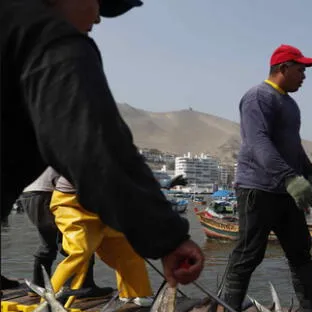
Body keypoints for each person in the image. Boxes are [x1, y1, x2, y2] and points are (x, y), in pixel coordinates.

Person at [1, 0, 204, 288]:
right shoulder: (49, 37)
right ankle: (52, 299)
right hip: (72, 201)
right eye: (98, 4)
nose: (98, 19)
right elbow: (95, 152)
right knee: (78, 250)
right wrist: (169, 239)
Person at [221, 44, 312, 312]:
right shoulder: (257, 98)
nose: (304, 76)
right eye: (300, 69)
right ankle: (229, 308)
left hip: (286, 191)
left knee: (300, 249)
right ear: (283, 68)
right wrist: (289, 176)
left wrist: (309, 172)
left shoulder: (290, 104)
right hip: (257, 188)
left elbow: (294, 146)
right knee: (249, 252)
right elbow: (257, 142)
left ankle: (311, 307)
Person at [49, 175, 154, 307]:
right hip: (72, 202)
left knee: (126, 247)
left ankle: (133, 293)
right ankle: (51, 302)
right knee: (80, 250)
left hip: (105, 204)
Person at [19, 167, 113, 298]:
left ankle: (38, 285)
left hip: (30, 194)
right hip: (47, 194)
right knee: (82, 240)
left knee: (47, 244)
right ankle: (82, 286)